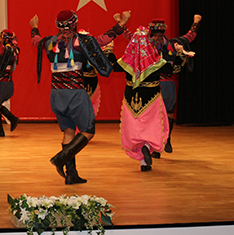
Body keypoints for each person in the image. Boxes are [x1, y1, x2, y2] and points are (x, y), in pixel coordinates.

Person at [30, 10, 129, 184]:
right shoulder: (81, 41)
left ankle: (71, 174)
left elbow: (36, 41)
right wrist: (122, 23)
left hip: (56, 93)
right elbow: (104, 39)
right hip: (75, 92)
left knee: (69, 131)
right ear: (74, 23)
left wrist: (35, 27)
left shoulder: (49, 42)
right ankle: (60, 158)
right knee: (88, 131)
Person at [115, 27, 194, 171]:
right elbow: (174, 69)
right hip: (151, 98)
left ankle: (143, 163)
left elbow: (112, 67)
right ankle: (146, 146)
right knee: (153, 126)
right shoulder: (156, 61)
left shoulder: (126, 61)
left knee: (135, 128)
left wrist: (105, 52)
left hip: (131, 100)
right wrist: (181, 54)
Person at [123, 15, 201, 155]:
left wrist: (121, 23)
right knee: (167, 114)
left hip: (152, 85)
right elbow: (189, 36)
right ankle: (165, 139)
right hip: (166, 83)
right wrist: (195, 23)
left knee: (153, 116)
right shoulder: (172, 44)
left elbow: (129, 36)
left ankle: (155, 145)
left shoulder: (145, 44)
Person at [0, 29, 21, 137]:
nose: (0, 39)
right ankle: (11, 119)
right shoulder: (13, 49)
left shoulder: (7, 50)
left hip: (2, 82)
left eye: (1, 37)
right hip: (5, 82)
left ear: (5, 39)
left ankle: (0, 129)